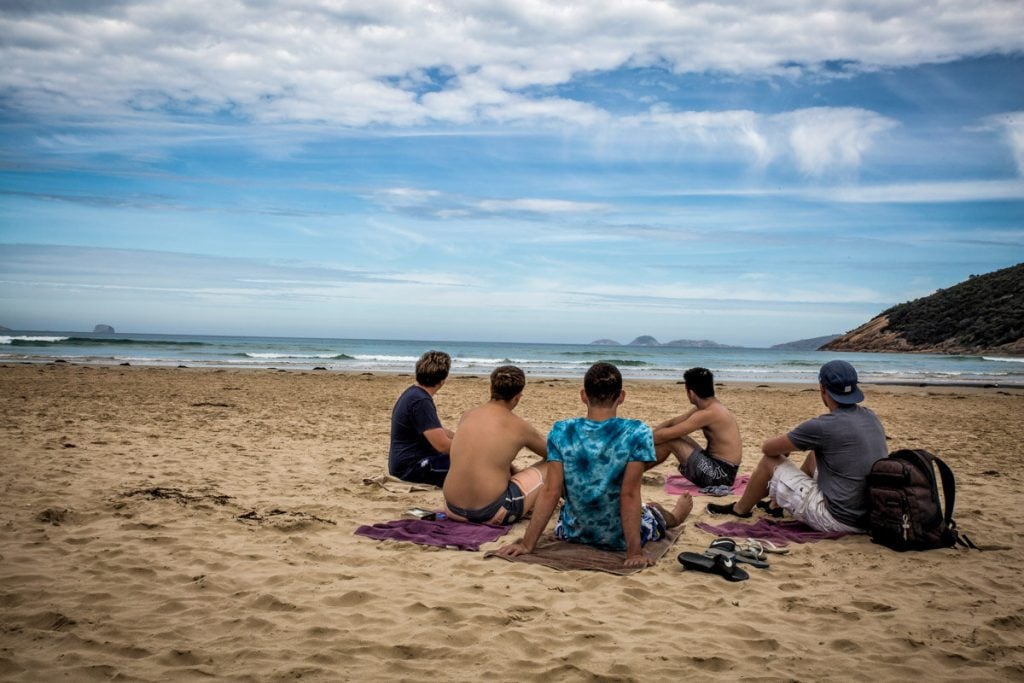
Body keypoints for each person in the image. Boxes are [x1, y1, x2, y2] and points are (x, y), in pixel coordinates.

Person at [498, 362, 692, 568]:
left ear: (583, 396)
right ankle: (677, 515)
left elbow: (551, 491)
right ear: (622, 397)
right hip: (619, 539)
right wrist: (634, 552)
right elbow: (629, 494)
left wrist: (528, 544)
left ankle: (660, 511)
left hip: (572, 531)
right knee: (653, 512)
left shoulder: (562, 431)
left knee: (645, 507)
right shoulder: (636, 432)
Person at [707, 359, 887, 533]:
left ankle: (740, 509)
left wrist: (786, 449)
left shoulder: (823, 426)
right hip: (868, 515)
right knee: (815, 455)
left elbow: (768, 449)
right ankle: (774, 505)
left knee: (770, 461)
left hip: (838, 518)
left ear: (822, 389)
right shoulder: (870, 416)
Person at [443, 365, 549, 525]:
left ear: (491, 387)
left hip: (452, 508)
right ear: (518, 397)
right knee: (552, 464)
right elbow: (553, 453)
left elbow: (486, 455)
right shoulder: (519, 426)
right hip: (492, 512)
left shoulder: (468, 415)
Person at [650, 367, 742, 487]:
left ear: (691, 393)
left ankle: (633, 473)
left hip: (721, 476)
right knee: (674, 436)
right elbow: (673, 423)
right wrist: (654, 434)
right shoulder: (708, 407)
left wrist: (644, 438)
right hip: (718, 467)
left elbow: (665, 435)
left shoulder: (708, 413)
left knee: (671, 439)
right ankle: (633, 472)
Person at [388, 350, 454, 487]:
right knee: (479, 468)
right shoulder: (420, 401)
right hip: (412, 468)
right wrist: (473, 449)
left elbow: (435, 430)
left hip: (405, 464)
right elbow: (442, 445)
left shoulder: (413, 393)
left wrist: (461, 437)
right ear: (442, 381)